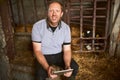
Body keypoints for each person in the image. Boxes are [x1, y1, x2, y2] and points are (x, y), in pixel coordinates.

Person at [32, 1, 79, 80]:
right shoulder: (37, 26)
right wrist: (47, 68)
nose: (54, 14)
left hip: (59, 54)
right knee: (39, 74)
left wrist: (67, 65)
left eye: (57, 11)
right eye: (51, 11)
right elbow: (37, 51)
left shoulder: (66, 28)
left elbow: (67, 50)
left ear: (61, 14)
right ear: (47, 13)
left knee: (74, 67)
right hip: (44, 55)